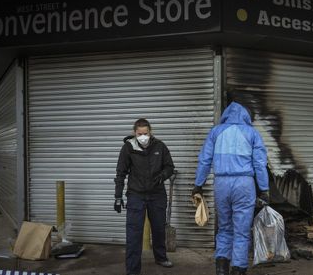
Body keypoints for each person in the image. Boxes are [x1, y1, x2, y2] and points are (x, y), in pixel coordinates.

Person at [192, 102, 269, 275]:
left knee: (225, 228)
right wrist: (264, 189)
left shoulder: (216, 131)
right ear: (246, 116)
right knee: (241, 231)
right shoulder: (252, 133)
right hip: (244, 184)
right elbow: (259, 163)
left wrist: (198, 184)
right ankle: (238, 270)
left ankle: (221, 269)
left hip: (221, 184)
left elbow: (204, 159)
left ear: (226, 115)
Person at [114, 118, 175, 275]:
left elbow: (169, 166)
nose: (143, 136)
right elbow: (120, 173)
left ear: (150, 132)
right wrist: (118, 196)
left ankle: (161, 257)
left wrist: (162, 176)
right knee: (134, 232)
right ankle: (133, 269)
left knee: (159, 228)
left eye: (145, 133)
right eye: (139, 134)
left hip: (157, 194)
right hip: (136, 195)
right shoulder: (128, 148)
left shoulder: (160, 146)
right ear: (135, 133)